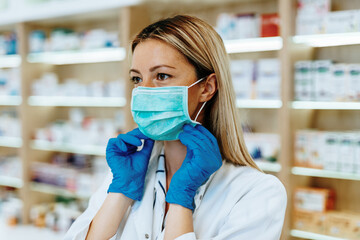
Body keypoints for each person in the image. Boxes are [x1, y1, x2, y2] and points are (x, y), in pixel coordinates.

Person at [64, 15, 287, 240]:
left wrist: (181, 199)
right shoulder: (127, 173)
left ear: (207, 88)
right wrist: (120, 192)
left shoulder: (257, 193)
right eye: (137, 79)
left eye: (162, 76)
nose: (145, 90)